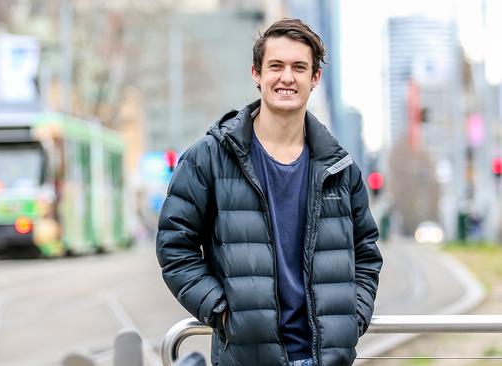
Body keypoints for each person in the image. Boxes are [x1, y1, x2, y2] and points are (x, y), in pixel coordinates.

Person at [156, 17, 383, 366]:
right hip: (247, 356)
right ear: (256, 74)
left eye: (299, 67)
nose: (287, 77)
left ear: (315, 78)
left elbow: (366, 254)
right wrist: (222, 311)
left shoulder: (341, 168)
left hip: (324, 358)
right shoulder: (211, 157)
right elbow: (175, 245)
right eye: (275, 66)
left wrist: (352, 319)